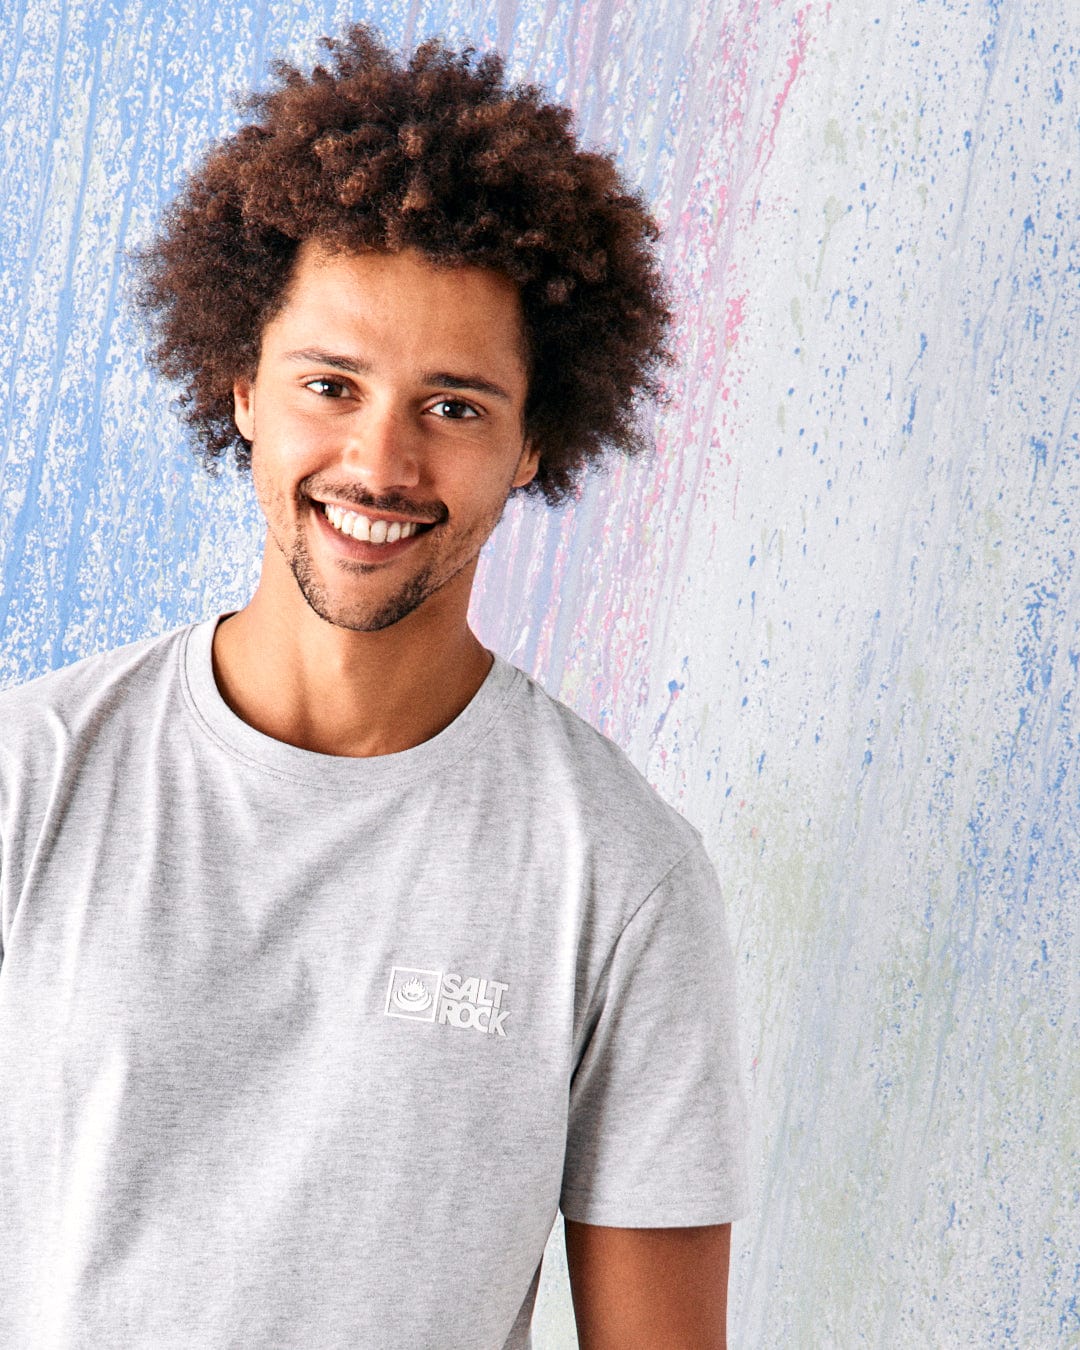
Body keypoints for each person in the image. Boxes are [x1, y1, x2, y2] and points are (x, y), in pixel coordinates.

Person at [0, 25, 747, 1349]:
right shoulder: (28, 778)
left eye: (454, 405)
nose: (380, 461)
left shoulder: (622, 877)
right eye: (330, 384)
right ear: (241, 383)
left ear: (533, 442)